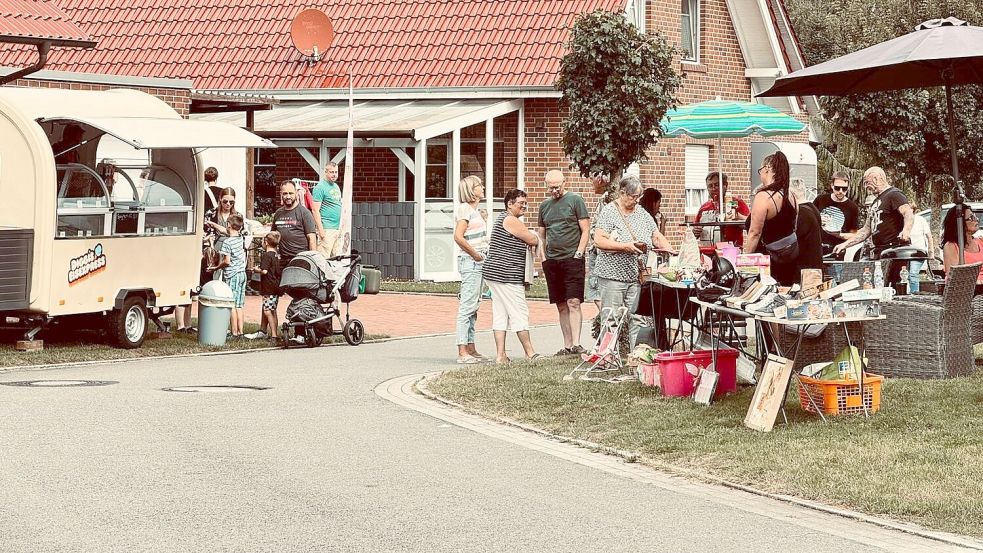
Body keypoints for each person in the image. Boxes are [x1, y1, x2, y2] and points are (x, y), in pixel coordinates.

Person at [593, 175, 673, 347]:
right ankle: (607, 357)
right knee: (611, 317)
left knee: (638, 318)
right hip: (612, 275)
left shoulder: (642, 214)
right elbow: (599, 241)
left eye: (639, 197)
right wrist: (625, 246)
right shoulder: (609, 212)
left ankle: (637, 358)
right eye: (633, 197)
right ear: (622, 193)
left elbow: (656, 236)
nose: (637, 201)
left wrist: (670, 251)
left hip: (635, 276)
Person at [481, 189, 542, 364]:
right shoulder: (510, 220)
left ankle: (501, 356)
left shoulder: (502, 218)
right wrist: (537, 237)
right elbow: (531, 239)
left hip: (494, 273)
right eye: (520, 203)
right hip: (506, 274)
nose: (524, 206)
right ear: (509, 204)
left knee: (501, 313)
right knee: (519, 312)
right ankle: (530, 353)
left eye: (525, 203)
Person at [537, 169, 590, 355]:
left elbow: (585, 229)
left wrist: (579, 252)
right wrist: (543, 257)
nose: (554, 191)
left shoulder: (575, 201)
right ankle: (567, 345)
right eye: (550, 188)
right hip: (553, 260)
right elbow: (541, 235)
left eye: (557, 187)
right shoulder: (544, 206)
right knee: (561, 304)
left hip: (572, 258)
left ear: (564, 183)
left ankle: (576, 343)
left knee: (573, 301)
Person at [833, 167, 913, 284]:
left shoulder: (894, 194)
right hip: (880, 253)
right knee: (880, 286)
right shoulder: (876, 202)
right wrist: (845, 244)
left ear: (876, 178)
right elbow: (866, 230)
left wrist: (906, 230)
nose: (866, 186)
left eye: (867, 182)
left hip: (894, 251)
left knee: (895, 287)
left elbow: (908, 212)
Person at [176, 167, 221, 333]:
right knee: (194, 282)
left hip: (200, 242)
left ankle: (184, 324)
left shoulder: (198, 193)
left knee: (191, 283)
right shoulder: (221, 194)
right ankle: (184, 324)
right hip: (211, 243)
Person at [744, 151, 799, 286]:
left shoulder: (764, 197)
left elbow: (754, 233)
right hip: (791, 258)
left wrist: (744, 260)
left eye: (760, 170)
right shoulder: (791, 196)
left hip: (769, 263)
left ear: (767, 169)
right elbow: (794, 226)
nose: (760, 175)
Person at [453, 175, 490, 364]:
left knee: (474, 305)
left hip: (479, 260)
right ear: (470, 190)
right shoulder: (465, 209)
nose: (482, 187)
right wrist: (475, 254)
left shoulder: (473, 211)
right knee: (467, 306)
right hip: (471, 261)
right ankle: (462, 351)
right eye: (478, 185)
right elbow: (458, 236)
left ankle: (471, 347)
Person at [209, 214, 247, 339]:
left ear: (229, 224)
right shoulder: (240, 238)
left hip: (232, 275)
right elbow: (226, 231)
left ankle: (234, 332)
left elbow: (227, 261)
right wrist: (213, 224)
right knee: (239, 305)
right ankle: (241, 332)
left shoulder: (227, 242)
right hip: (242, 274)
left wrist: (216, 267)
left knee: (232, 304)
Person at [694, 172, 750, 247]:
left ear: (725, 186)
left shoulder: (736, 203)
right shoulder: (704, 208)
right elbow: (694, 230)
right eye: (710, 186)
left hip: (731, 251)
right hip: (707, 252)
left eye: (717, 185)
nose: (713, 188)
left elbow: (752, 225)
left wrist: (738, 217)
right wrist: (694, 232)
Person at [272, 180, 317, 270]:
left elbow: (312, 239)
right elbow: (273, 238)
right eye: (285, 193)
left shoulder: (304, 213)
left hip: (300, 260)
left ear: (296, 193)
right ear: (281, 194)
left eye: (291, 193)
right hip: (282, 261)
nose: (288, 196)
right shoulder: (278, 213)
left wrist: (313, 262)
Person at [814, 171, 860, 257]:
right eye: (837, 188)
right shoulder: (820, 200)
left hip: (838, 251)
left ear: (848, 187)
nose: (841, 191)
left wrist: (839, 235)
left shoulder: (852, 207)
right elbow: (809, 221)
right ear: (832, 185)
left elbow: (854, 235)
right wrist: (819, 219)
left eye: (844, 189)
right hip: (818, 249)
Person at [246, 231, 282, 341]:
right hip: (276, 285)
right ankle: (275, 333)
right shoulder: (277, 255)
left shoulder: (266, 255)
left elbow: (265, 271)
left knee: (267, 310)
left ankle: (274, 335)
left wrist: (256, 269)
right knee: (273, 310)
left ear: (266, 242)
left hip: (268, 287)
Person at [586, 174, 614, 310]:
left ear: (601, 180)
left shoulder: (608, 200)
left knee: (597, 288)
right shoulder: (603, 200)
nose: (592, 183)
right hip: (598, 249)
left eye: (593, 179)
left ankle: (608, 320)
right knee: (595, 288)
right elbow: (594, 227)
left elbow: (596, 227)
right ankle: (606, 319)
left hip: (605, 252)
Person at [789, 178, 823, 277]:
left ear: (791, 194)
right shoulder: (813, 209)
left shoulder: (801, 213)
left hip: (805, 270)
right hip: (813, 267)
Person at [941, 206, 983, 283]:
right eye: (971, 217)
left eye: (974, 216)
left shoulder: (981, 241)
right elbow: (954, 278)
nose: (976, 219)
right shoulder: (951, 246)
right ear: (960, 223)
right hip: (968, 290)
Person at [312, 162, 343, 257]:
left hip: (337, 229)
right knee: (324, 259)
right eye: (331, 172)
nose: (334, 174)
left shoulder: (336, 186)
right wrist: (321, 230)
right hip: (326, 228)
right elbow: (315, 210)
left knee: (337, 258)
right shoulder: (320, 187)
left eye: (336, 172)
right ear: (326, 172)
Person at [907, 201, 934, 292]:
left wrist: (931, 251)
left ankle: (914, 294)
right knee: (904, 275)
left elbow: (929, 237)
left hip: (918, 252)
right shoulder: (902, 221)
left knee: (913, 274)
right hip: (905, 253)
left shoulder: (920, 220)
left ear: (913, 210)